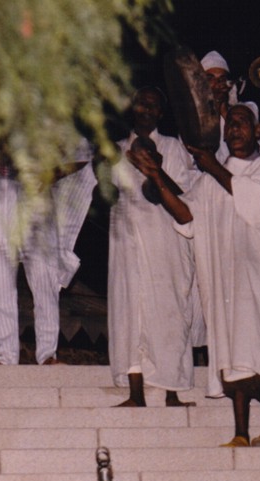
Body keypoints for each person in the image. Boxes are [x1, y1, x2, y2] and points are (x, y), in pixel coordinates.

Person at [143, 102, 260, 446]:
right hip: (230, 282)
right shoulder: (211, 179)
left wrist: (213, 166)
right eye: (230, 123)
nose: (234, 128)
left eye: (242, 123)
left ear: (258, 131)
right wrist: (157, 176)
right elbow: (186, 215)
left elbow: (255, 204)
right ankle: (240, 432)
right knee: (233, 348)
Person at [0, 139, 95, 365]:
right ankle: (6, 355)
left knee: (44, 278)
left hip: (34, 199)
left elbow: (82, 152)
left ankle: (48, 354)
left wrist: (51, 174)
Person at [109, 86, 200, 408]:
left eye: (153, 106)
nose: (146, 110)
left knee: (169, 311)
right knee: (130, 313)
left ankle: (171, 392)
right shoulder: (117, 150)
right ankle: (136, 394)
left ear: (161, 113)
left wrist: (154, 169)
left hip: (165, 244)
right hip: (127, 243)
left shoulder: (173, 147)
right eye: (141, 104)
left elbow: (184, 194)